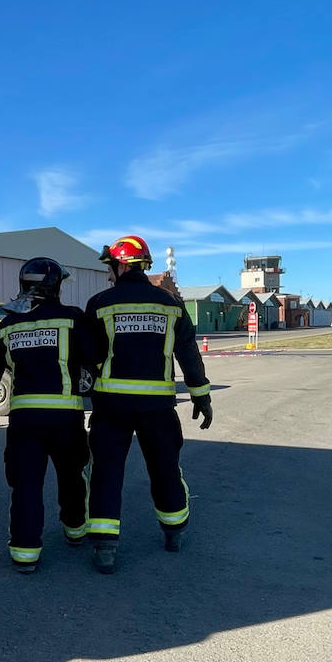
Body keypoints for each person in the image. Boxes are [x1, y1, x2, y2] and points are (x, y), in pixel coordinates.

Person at [84, 235, 212, 574]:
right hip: (157, 407)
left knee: (106, 472)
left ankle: (105, 548)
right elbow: (187, 352)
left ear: (122, 263)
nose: (110, 273)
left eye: (111, 266)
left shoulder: (99, 303)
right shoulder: (170, 304)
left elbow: (89, 355)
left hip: (111, 406)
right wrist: (201, 395)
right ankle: (174, 532)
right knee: (165, 468)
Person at [0, 257, 94, 574]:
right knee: (71, 477)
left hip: (24, 420)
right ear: (53, 285)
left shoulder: (9, 324)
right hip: (65, 419)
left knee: (26, 484)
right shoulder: (72, 318)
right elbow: (94, 356)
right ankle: (75, 530)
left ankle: (25, 552)